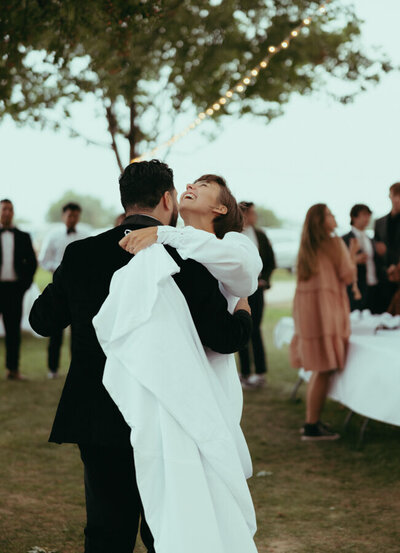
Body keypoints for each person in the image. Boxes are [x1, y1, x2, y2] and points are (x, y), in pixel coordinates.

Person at [29, 161, 254, 553]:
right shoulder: (187, 258)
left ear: (125, 201)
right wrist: (243, 310)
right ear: (167, 199)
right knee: (164, 531)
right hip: (165, 415)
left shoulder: (81, 254)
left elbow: (42, 321)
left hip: (96, 413)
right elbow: (224, 338)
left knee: (105, 531)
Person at [290, 204, 357, 441]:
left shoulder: (307, 246)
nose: (334, 217)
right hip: (325, 310)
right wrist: (352, 254)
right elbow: (348, 275)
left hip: (308, 310)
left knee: (319, 367)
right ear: (320, 221)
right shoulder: (334, 242)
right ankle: (311, 425)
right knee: (323, 368)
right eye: (329, 214)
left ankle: (313, 421)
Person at [39, 202, 89, 378]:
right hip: (58, 289)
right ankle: (52, 368)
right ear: (63, 216)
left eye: (75, 215)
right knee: (55, 330)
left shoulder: (85, 235)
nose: (73, 219)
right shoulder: (53, 236)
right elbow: (43, 260)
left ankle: (77, 368)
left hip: (78, 290)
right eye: (70, 215)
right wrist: (60, 268)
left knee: (79, 331)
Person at [234, 201, 276, 389]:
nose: (255, 216)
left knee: (256, 329)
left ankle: (260, 373)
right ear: (243, 214)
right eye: (252, 213)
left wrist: (264, 279)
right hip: (239, 289)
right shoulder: (232, 235)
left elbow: (271, 261)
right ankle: (244, 373)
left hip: (257, 289)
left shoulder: (260, 234)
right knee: (242, 328)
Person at [0, 199, 37, 381]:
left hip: (14, 290)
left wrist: (25, 285)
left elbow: (32, 263)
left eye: (10, 209)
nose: (7, 212)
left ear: (13, 213)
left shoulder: (23, 236)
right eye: (4, 209)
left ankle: (13, 369)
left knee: (13, 332)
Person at [342, 204, 380, 313]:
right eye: (364, 215)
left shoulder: (371, 239)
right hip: (356, 288)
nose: (367, 218)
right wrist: (354, 259)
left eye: (368, 215)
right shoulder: (345, 239)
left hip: (374, 286)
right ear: (354, 217)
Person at [374, 182, 400, 312]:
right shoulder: (379, 223)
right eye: (396, 195)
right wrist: (386, 269)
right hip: (384, 280)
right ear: (390, 197)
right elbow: (377, 250)